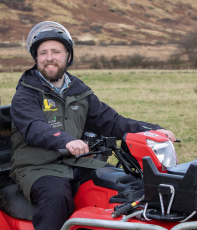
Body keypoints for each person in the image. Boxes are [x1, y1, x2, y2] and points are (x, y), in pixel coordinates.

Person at [9, 21, 176, 230]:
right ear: (36, 58)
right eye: (43, 53)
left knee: (122, 182)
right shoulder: (25, 93)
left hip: (76, 162)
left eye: (55, 51)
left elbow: (113, 122)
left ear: (68, 56)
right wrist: (66, 140)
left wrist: (151, 130)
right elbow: (34, 128)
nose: (49, 58)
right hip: (37, 166)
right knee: (56, 198)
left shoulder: (78, 91)